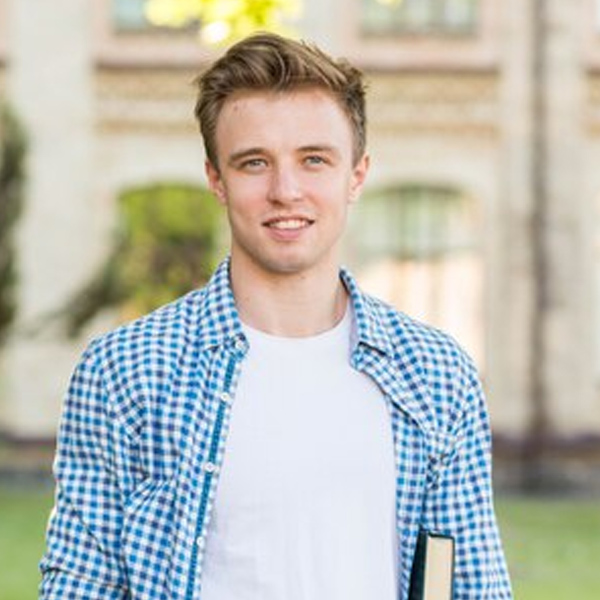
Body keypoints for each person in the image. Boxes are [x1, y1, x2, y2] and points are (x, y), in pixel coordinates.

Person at [39, 32, 512, 600]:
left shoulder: (437, 374)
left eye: (314, 160)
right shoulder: (125, 371)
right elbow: (81, 586)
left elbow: (473, 587)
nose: (286, 191)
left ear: (356, 175)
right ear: (217, 180)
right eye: (254, 163)